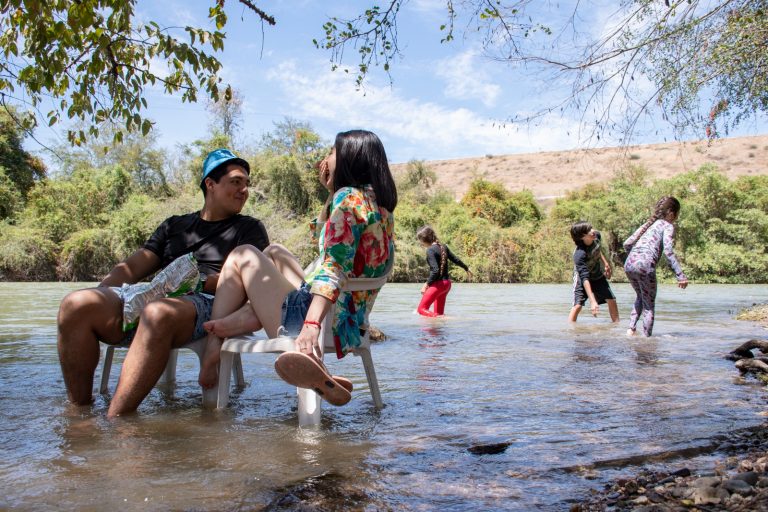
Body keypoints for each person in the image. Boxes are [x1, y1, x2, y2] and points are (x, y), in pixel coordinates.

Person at [57, 149, 270, 418]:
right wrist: (104, 294)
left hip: (207, 301)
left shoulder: (249, 229)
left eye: (246, 184)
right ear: (210, 184)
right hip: (154, 294)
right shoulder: (175, 226)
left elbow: (248, 285)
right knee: (76, 304)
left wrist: (195, 281)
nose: (244, 190)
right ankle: (79, 416)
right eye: (236, 182)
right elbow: (134, 267)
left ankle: (117, 423)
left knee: (158, 313)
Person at [198, 129, 396, 406]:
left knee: (243, 254)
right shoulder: (380, 206)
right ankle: (249, 314)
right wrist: (330, 193)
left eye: (332, 151)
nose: (326, 159)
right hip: (350, 322)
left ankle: (213, 347)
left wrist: (311, 326)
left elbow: (332, 266)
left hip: (317, 316)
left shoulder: (348, 199)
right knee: (274, 251)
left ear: (350, 157)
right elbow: (325, 242)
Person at [623, 196, 689, 336]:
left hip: (629, 264)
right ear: (671, 213)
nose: (676, 218)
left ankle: (631, 330)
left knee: (640, 296)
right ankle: (647, 341)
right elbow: (668, 251)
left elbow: (627, 244)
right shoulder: (667, 226)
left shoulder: (647, 225)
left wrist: (636, 257)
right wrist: (680, 275)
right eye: (677, 214)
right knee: (649, 306)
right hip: (645, 266)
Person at [568, 221, 619, 323]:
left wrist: (606, 264)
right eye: (589, 230)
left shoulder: (596, 236)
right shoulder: (579, 254)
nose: (593, 231)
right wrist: (592, 301)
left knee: (611, 300)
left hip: (597, 275)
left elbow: (597, 250)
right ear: (582, 237)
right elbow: (584, 278)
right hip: (582, 279)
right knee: (578, 306)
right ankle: (571, 330)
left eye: (591, 228)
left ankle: (616, 326)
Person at [415, 226, 471, 317]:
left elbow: (435, 270)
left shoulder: (430, 250)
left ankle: (447, 319)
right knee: (439, 315)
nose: (420, 243)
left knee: (421, 310)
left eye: (420, 240)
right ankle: (440, 328)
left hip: (438, 285)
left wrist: (426, 284)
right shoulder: (443, 247)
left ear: (424, 239)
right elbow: (455, 259)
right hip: (447, 284)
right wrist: (466, 268)